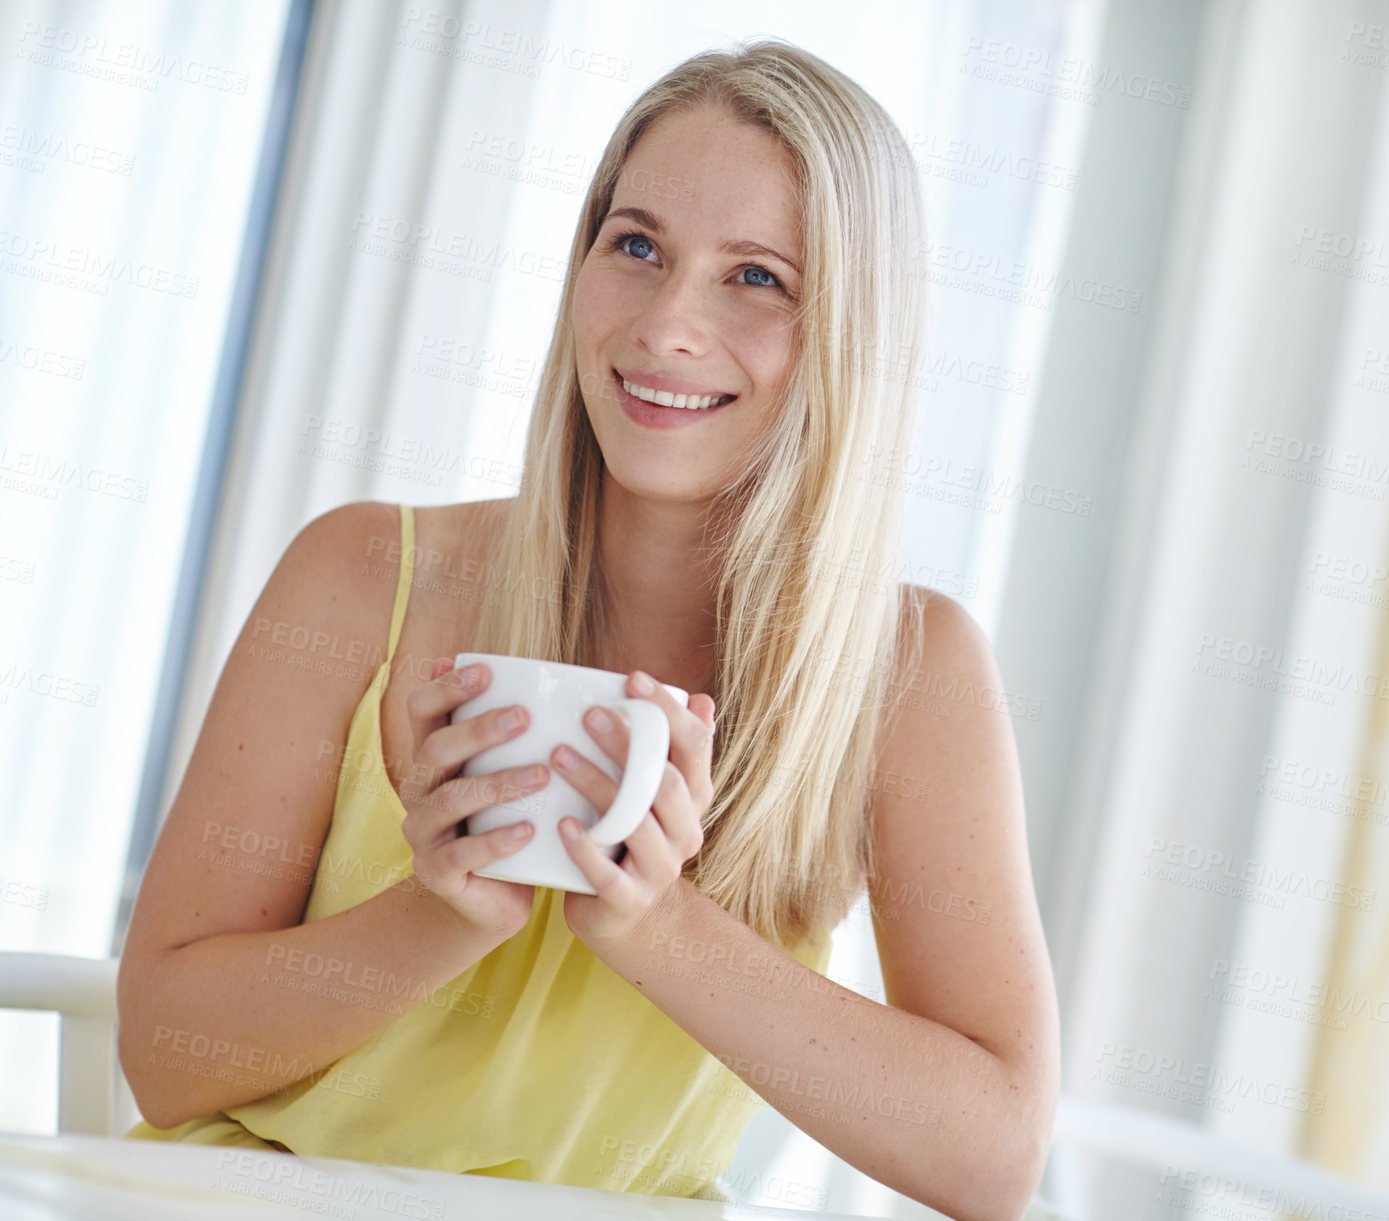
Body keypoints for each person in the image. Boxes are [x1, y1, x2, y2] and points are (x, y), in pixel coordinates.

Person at [117, 38, 1059, 1220]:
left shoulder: (911, 678)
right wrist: (440, 910)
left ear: (850, 333)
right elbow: (161, 1049)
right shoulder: (362, 575)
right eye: (637, 247)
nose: (666, 326)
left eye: (756, 276)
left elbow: (994, 1160)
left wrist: (659, 929)